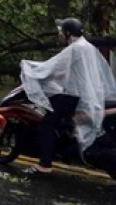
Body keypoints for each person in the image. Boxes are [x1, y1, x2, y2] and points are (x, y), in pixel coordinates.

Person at [19, 17, 116, 174]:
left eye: (62, 32)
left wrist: (31, 70)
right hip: (87, 95)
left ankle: (44, 164)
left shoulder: (74, 48)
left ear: (68, 33)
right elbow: (75, 71)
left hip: (74, 96)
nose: (60, 35)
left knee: (46, 124)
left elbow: (51, 65)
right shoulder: (88, 47)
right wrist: (59, 76)